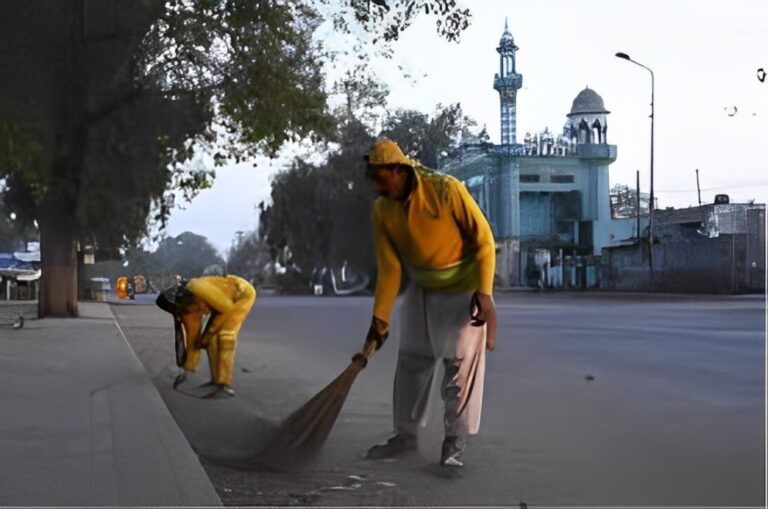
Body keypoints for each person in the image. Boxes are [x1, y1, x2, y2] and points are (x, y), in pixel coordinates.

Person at [360, 138, 497, 468]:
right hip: (422, 288)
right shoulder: (383, 209)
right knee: (411, 361)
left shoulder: (446, 189)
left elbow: (483, 241)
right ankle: (405, 437)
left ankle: (455, 442)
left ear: (399, 171)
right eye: (373, 179)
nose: (376, 187)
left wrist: (485, 293)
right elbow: (391, 268)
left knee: (459, 369)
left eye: (381, 178)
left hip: (464, 288)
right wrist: (380, 320)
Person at [156, 267, 256, 398]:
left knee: (225, 336)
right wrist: (187, 369)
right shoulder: (185, 312)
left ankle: (224, 385)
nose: (180, 312)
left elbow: (226, 309)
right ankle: (216, 381)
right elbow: (193, 339)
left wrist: (208, 334)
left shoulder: (201, 289)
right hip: (222, 303)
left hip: (241, 294)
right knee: (211, 342)